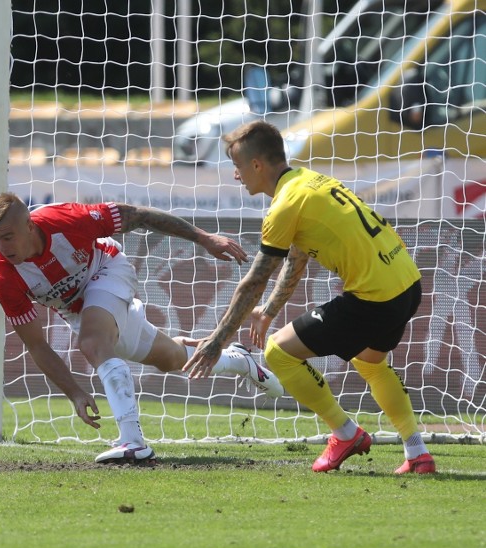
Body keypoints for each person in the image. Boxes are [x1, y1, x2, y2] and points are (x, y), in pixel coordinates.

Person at [184, 120, 435, 474]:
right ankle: (417, 452)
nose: (236, 176)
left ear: (256, 165)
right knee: (370, 363)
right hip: (408, 284)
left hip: (374, 298)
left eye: (238, 167)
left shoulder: (284, 203)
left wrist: (216, 342)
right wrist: (269, 309)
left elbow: (253, 281)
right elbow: (298, 256)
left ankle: (345, 433)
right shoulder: (307, 181)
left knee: (278, 353)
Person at [0, 192, 284, 464]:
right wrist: (74, 392)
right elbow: (36, 345)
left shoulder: (68, 220)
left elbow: (138, 215)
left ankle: (133, 441)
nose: (1, 248)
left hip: (107, 269)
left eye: (7, 237)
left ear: (29, 226)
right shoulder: (1, 275)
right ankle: (239, 360)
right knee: (171, 359)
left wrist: (204, 238)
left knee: (92, 343)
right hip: (76, 310)